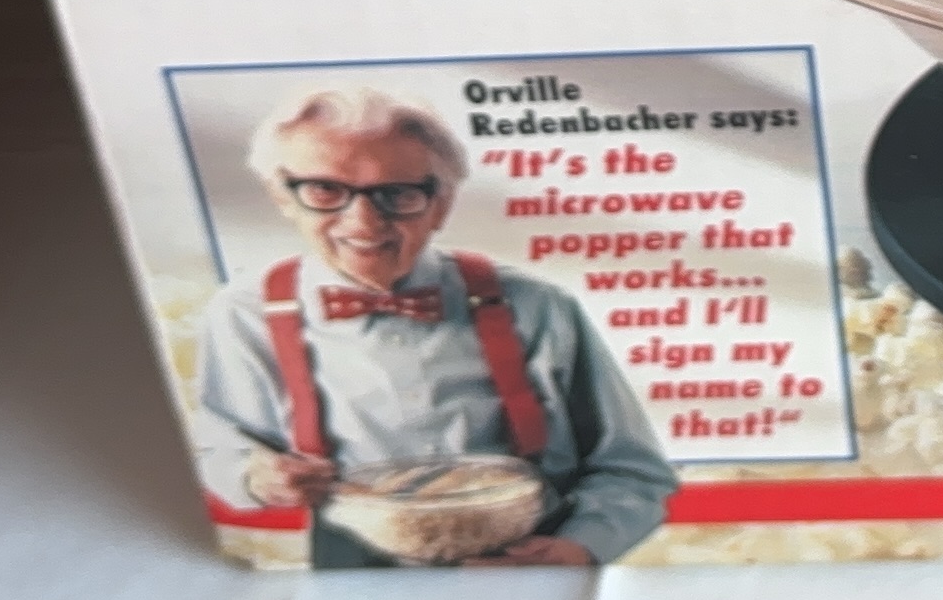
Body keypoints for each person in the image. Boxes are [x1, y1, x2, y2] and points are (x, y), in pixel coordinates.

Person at [190, 87, 675, 566]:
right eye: (325, 190)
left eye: (397, 194)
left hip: (529, 561)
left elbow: (632, 471)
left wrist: (577, 548)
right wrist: (256, 476)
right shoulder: (246, 313)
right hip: (355, 575)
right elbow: (219, 449)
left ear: (441, 203)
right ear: (282, 196)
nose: (363, 222)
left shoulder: (537, 307)